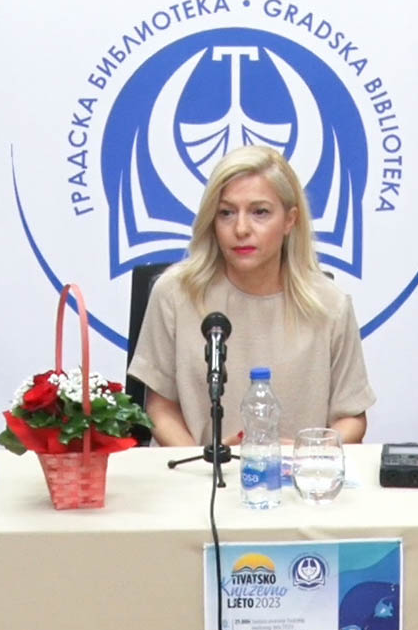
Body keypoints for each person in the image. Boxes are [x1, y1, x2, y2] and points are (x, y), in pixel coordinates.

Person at [128, 144, 375, 447]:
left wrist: (307, 454)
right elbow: (160, 409)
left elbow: (352, 419)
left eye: (260, 212)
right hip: (200, 473)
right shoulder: (174, 294)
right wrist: (207, 462)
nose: (241, 228)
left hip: (297, 474)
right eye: (226, 213)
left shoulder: (330, 304)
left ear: (290, 220)